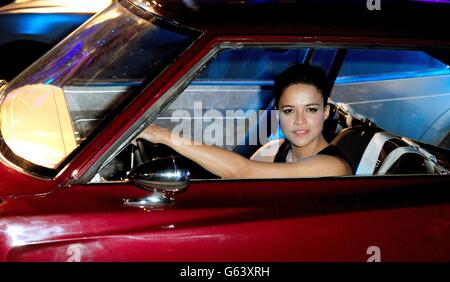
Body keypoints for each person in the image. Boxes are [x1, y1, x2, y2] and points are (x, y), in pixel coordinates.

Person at [135, 63, 353, 179]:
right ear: (278, 114)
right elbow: (233, 181)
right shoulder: (274, 150)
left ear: (325, 112)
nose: (299, 120)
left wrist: (163, 135)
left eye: (311, 110)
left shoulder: (332, 167)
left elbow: (241, 171)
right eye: (289, 111)